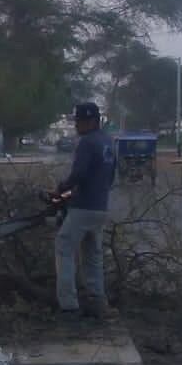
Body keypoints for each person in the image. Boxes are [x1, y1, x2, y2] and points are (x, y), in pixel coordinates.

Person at [53, 101, 117, 318]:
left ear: (91, 121)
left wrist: (62, 189)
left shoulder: (87, 142)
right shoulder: (107, 142)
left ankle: (69, 306)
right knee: (92, 255)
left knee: (64, 246)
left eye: (79, 121)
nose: (76, 126)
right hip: (100, 206)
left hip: (83, 207)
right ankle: (97, 301)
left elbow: (78, 174)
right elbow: (110, 176)